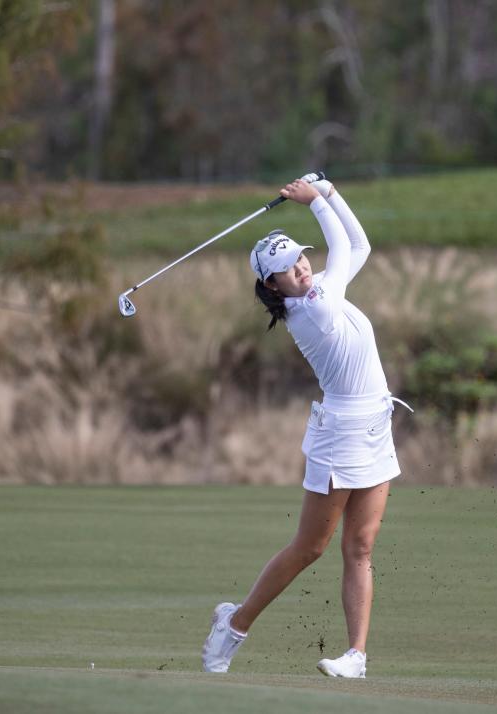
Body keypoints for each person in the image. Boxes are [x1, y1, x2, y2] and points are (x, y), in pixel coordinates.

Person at [202, 176, 410, 679]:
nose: (300, 268)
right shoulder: (312, 306)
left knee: (360, 547)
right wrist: (317, 200)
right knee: (309, 548)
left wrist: (333, 194)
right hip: (339, 433)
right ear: (272, 286)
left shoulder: (319, 286)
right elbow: (343, 245)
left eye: (299, 258)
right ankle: (234, 625)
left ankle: (356, 657)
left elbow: (359, 245)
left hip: (375, 426)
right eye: (286, 269)